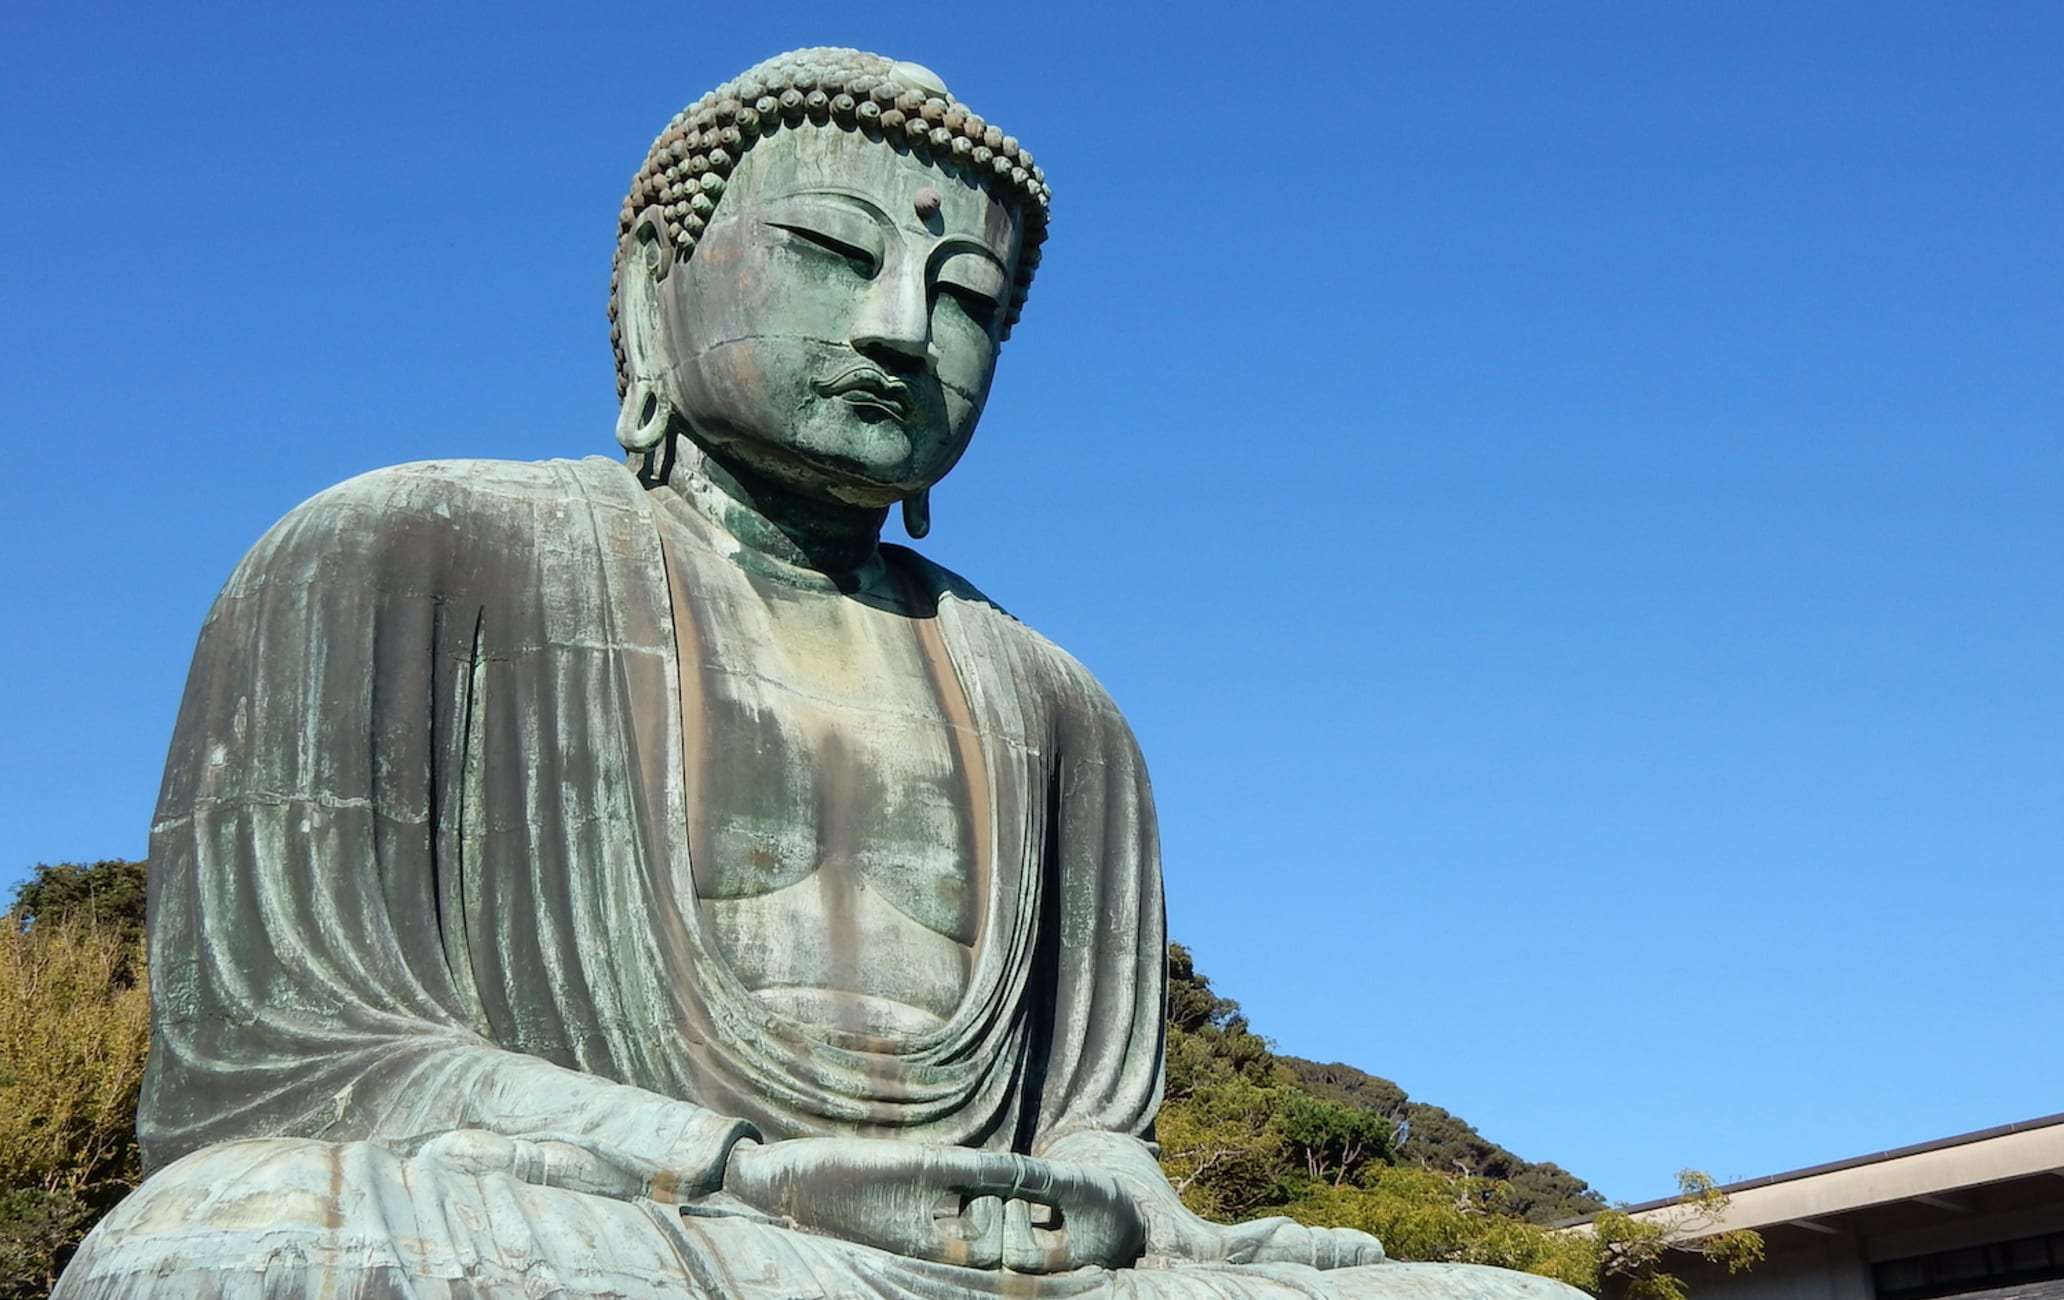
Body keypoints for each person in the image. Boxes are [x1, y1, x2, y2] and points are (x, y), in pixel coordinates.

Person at [57, 49, 1581, 1300]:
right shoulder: (398, 554)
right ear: (661, 277)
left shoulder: (1064, 712)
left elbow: (1093, 1130)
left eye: (971, 299)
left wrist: (1127, 1211)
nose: (903, 328)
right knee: (232, 1246)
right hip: (619, 1221)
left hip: (981, 1268)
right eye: (835, 252)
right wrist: (742, 1171)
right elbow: (271, 1079)